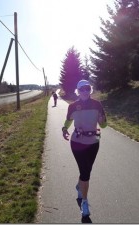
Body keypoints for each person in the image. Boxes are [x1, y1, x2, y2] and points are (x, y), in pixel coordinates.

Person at [62, 80, 107, 217]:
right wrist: (64, 129)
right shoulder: (73, 106)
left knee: (87, 170)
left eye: (87, 89)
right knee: (85, 172)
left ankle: (79, 186)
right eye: (82, 89)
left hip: (93, 143)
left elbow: (103, 126)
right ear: (78, 90)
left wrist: (103, 118)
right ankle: (85, 203)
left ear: (90, 90)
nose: (85, 91)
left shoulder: (97, 104)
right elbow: (68, 121)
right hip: (77, 143)